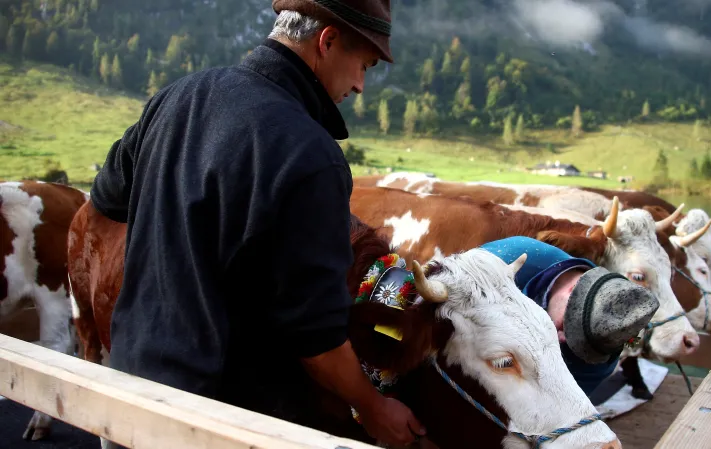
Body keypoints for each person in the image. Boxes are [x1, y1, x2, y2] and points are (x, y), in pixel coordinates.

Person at [89, 0, 425, 446]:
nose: (360, 85)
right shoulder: (311, 155)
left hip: (130, 394)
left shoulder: (177, 97)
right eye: (362, 65)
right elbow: (317, 338)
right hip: (223, 422)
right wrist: (374, 406)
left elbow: (109, 195)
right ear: (327, 41)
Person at [480, 236, 660, 394]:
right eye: (566, 326)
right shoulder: (508, 258)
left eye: (581, 346)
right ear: (573, 290)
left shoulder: (597, 363)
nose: (561, 338)